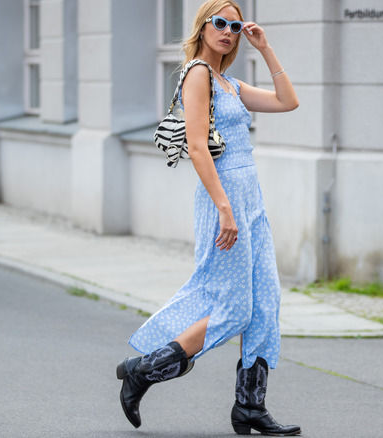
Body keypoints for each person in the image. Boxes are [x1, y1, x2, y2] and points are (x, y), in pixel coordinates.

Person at [116, 1, 300, 435]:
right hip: (225, 198)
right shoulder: (198, 74)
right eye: (220, 23)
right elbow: (197, 147)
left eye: (235, 26)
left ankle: (250, 406)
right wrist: (223, 208)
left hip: (250, 198)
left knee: (265, 303)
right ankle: (144, 370)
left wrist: (266, 48)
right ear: (202, 27)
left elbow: (288, 102)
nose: (228, 31)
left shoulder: (230, 83)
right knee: (232, 309)